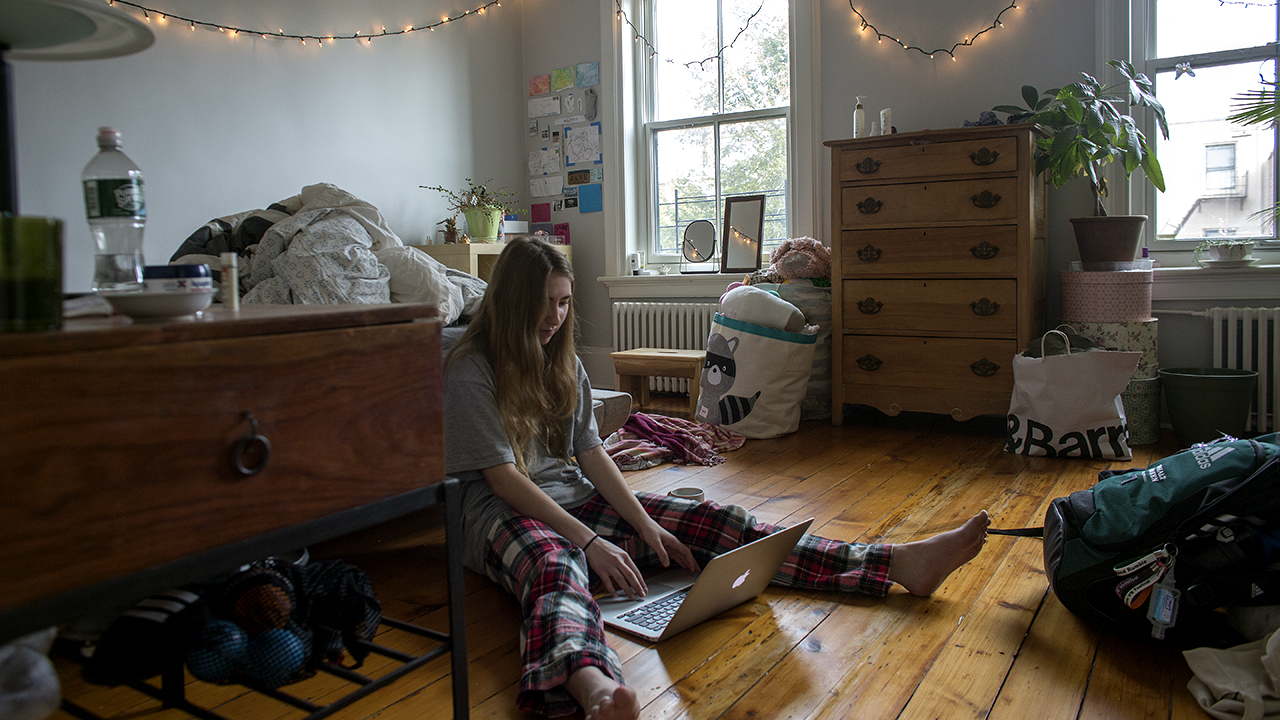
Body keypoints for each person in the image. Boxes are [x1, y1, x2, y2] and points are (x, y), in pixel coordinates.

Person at [443, 236, 990, 720]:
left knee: (718, 522)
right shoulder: (472, 368)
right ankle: (596, 689)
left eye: (563, 303)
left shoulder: (563, 363)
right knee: (555, 565)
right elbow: (504, 479)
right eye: (543, 304)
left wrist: (644, 525)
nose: (555, 317)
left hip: (575, 501)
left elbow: (591, 454)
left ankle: (895, 563)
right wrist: (589, 542)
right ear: (512, 301)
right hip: (500, 514)